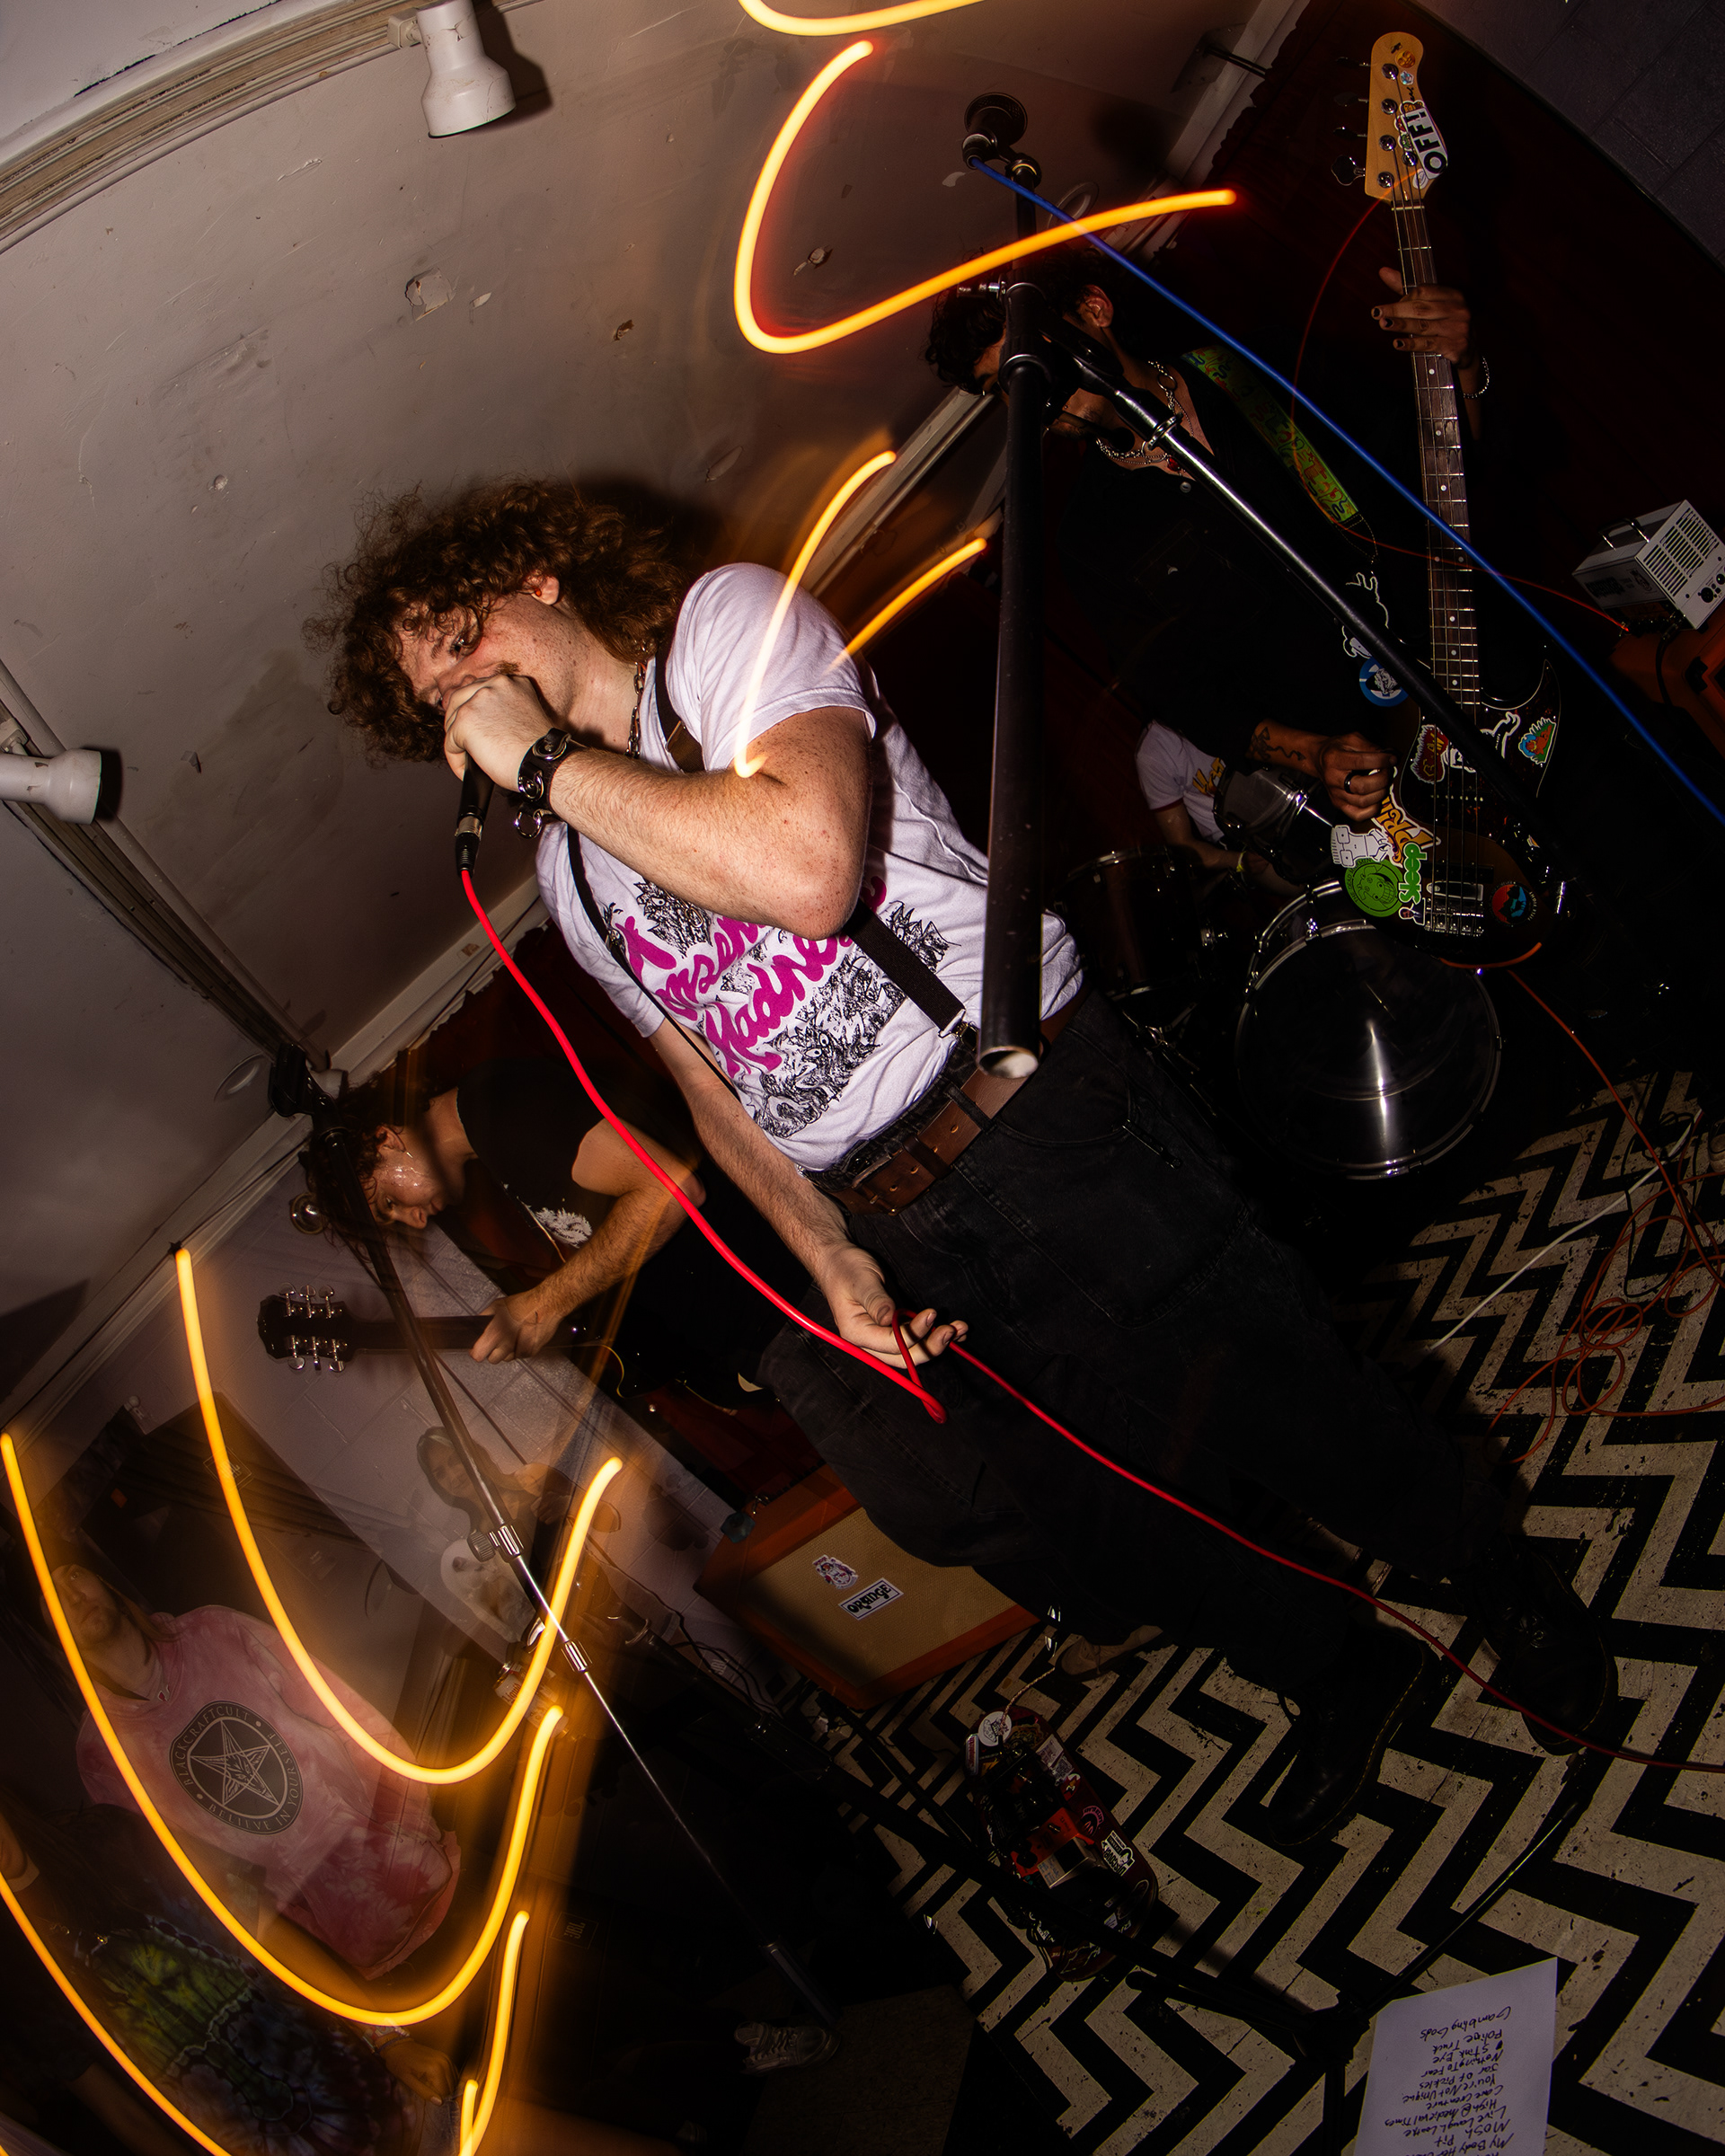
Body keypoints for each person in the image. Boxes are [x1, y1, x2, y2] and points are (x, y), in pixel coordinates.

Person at [308, 480, 1612, 1847]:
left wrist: (545, 764)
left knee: (1281, 1397)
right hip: (893, 1217)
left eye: (457, 641)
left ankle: (1498, 1581)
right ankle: (1339, 1667)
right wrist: (827, 1252)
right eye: (431, 697)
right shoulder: (575, 876)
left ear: (537, 577)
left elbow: (809, 868)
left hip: (1030, 1115)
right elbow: (707, 1081)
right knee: (1110, 1514)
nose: (457, 694)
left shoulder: (723, 635)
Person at [924, 244, 1496, 840]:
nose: (1029, 393)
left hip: (1481, 685)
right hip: (1392, 797)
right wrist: (1316, 752)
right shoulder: (1090, 538)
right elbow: (1188, 699)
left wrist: (1465, 365)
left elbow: (1442, 472)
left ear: (1094, 310)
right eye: (1003, 384)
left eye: (1030, 359)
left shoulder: (1265, 367)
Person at [304, 1056, 809, 1391]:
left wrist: (542, 1305)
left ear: (386, 1140)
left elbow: (670, 1191)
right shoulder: (492, 1144)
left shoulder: (498, 1106)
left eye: (390, 1201)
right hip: (762, 1325)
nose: (412, 1220)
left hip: (784, 1303)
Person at [56, 1565, 460, 1983]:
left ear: (101, 1579)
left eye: (72, 1576)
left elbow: (348, 1716)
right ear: (51, 1627)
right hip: (351, 1961)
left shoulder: (213, 1631)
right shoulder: (101, 1753)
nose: (72, 1596)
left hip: (432, 1877)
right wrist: (311, 1956)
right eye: (52, 1595)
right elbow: (197, 1884)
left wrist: (411, 1829)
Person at [0, 1788, 443, 2154]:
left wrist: (387, 2038)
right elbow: (125, 2115)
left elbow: (265, 1932)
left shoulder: (106, 1840)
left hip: (377, 2093)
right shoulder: (16, 1980)